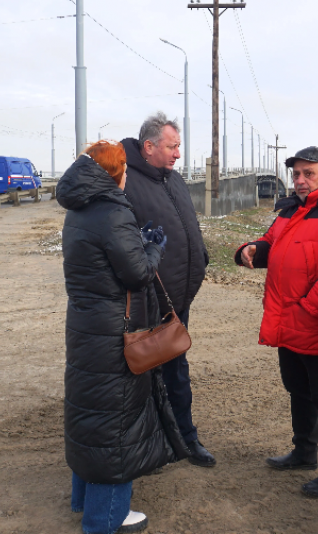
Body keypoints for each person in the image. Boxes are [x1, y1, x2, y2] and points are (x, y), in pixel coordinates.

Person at [57, 140, 189, 534]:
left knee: (91, 416)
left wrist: (138, 243)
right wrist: (152, 248)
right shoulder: (113, 209)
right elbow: (136, 274)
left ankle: (83, 500)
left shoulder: (80, 208)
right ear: (116, 173)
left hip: (87, 328)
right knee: (116, 423)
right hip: (116, 331)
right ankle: (106, 517)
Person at [235, 146, 318, 497]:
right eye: (297, 174)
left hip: (316, 320)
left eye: (309, 174)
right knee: (298, 389)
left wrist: (310, 305)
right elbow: (273, 243)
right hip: (287, 318)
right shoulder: (292, 208)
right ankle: (304, 452)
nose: (301, 181)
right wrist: (251, 249)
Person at [121, 112, 214, 467]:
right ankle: (150, 446)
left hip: (179, 298)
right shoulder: (126, 180)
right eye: (173, 146)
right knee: (143, 375)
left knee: (177, 371)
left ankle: (186, 439)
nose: (178, 153)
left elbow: (187, 224)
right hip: (146, 300)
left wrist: (201, 256)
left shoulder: (172, 179)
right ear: (149, 146)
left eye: (178, 146)